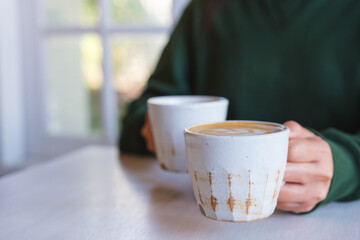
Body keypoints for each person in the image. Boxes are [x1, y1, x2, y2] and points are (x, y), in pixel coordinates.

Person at [120, 0, 360, 213]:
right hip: (197, 219)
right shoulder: (205, 9)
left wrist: (346, 164)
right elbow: (137, 119)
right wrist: (155, 130)